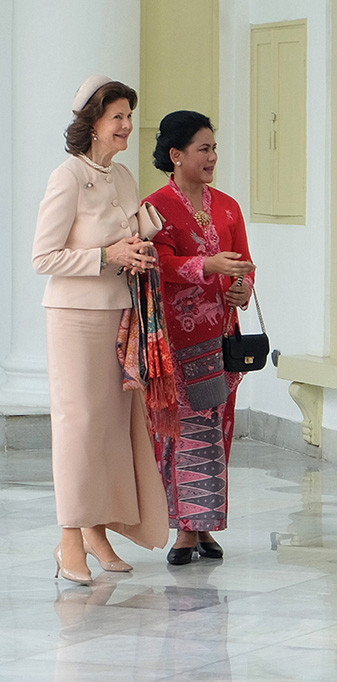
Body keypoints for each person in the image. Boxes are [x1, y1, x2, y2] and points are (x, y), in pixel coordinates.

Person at [32, 75, 169, 584]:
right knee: (79, 426)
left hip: (121, 312)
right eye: (118, 117)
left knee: (112, 429)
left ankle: (97, 532)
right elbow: (42, 257)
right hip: (74, 318)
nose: (128, 127)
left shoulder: (124, 176)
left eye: (129, 117)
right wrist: (107, 254)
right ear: (92, 123)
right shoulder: (66, 177)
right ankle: (70, 539)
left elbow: (127, 234)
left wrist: (139, 239)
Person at [144, 111, 255, 565]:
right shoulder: (154, 208)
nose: (212, 157)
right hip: (176, 344)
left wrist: (243, 287)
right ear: (177, 155)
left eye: (214, 148)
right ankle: (183, 532)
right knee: (183, 435)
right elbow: (159, 265)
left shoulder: (228, 206)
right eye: (203, 148)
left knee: (217, 430)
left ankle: (205, 527)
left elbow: (245, 261)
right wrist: (207, 266)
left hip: (222, 340)